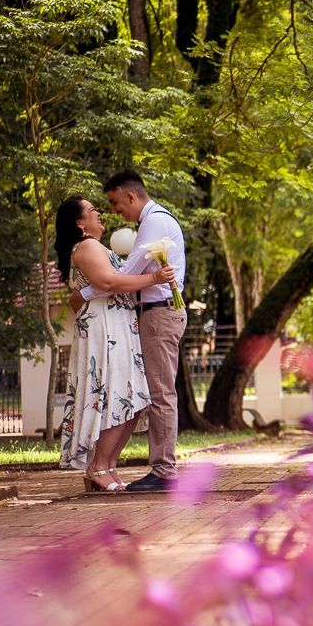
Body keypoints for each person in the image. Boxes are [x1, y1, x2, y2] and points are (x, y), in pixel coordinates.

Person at [69, 169, 187, 492]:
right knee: (152, 394)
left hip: (159, 314)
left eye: (115, 203)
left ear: (130, 196)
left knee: (160, 394)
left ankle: (164, 472)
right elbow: (121, 276)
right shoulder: (154, 222)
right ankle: (139, 468)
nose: (114, 212)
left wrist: (82, 295)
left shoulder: (153, 223)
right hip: (154, 314)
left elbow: (122, 275)